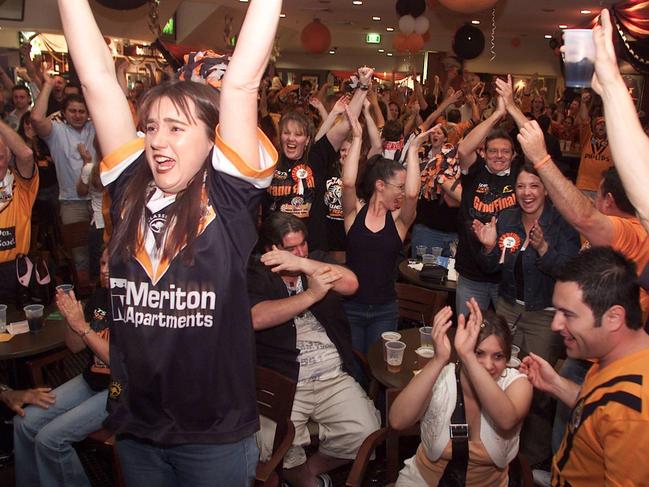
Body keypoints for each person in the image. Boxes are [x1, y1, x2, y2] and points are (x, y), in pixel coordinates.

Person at [57, 0, 280, 485]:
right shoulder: (131, 183)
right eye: (151, 127)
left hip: (212, 433)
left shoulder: (230, 196)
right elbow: (96, 80)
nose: (158, 141)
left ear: (212, 140)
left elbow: (242, 82)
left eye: (177, 129)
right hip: (138, 425)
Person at [248, 212, 379, 487]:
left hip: (332, 375)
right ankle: (309, 482)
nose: (300, 251)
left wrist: (303, 263)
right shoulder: (257, 272)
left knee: (365, 432)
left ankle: (309, 473)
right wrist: (311, 295)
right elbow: (256, 317)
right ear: (271, 250)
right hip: (286, 380)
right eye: (291, 248)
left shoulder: (314, 261)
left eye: (303, 244)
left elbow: (351, 283)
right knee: (277, 446)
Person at [472, 163, 579, 466]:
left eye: (534, 185)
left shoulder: (561, 224)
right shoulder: (507, 217)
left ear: (546, 188)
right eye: (521, 186)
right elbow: (492, 266)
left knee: (537, 387)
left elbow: (569, 272)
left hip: (543, 316)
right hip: (507, 307)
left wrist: (544, 248)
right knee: (497, 374)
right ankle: (490, 446)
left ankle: (530, 462)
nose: (527, 192)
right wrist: (489, 247)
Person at [521, 247, 649, 485]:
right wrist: (557, 385)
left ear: (614, 317)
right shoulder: (616, 359)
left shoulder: (636, 411)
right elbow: (601, 410)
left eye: (568, 314)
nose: (556, 325)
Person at [390, 299, 533, 486]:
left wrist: (468, 357)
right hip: (423, 480)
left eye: (498, 356)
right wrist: (439, 359)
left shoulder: (517, 382)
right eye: (478, 353)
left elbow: (506, 419)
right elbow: (397, 421)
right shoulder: (441, 377)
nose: (488, 365)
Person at [13, 248, 111, 487]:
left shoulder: (135, 303)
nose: (104, 270)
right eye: (101, 263)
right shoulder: (99, 297)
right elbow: (75, 347)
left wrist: (84, 328)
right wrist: (71, 320)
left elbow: (120, 363)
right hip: (92, 379)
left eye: (111, 264)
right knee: (24, 423)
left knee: (50, 439)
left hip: (120, 388)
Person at [342, 106, 428, 354]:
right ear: (380, 185)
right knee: (354, 367)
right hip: (352, 308)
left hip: (385, 310)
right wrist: (358, 138)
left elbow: (413, 194)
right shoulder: (354, 214)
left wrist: (413, 151)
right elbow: (348, 183)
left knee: (379, 369)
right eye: (398, 187)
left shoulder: (399, 222)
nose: (403, 192)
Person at [264, 67, 372, 251]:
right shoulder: (269, 161)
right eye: (286, 133)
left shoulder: (316, 156)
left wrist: (362, 86)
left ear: (307, 140)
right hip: (276, 248)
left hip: (312, 248)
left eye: (298, 134)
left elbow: (346, 123)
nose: (291, 138)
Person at [455, 75, 528, 317]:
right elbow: (464, 148)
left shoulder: (520, 175)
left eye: (505, 151)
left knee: (505, 340)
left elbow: (536, 144)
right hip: (470, 270)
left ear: (513, 155)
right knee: (467, 330)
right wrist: (497, 115)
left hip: (506, 276)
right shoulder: (474, 172)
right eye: (493, 151)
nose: (499, 156)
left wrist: (512, 108)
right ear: (484, 153)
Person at [0, 117, 38, 303]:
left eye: (0, 157)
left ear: (8, 157)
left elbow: (26, 154)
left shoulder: (21, 184)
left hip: (17, 272)